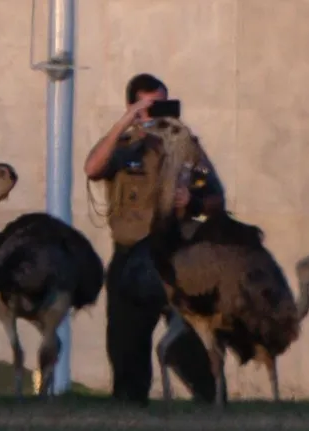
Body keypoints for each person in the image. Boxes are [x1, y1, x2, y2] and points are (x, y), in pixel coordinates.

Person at [84, 73, 226, 406]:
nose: (159, 113)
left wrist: (191, 203)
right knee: (125, 338)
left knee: (192, 332)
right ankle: (130, 403)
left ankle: (209, 400)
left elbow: (217, 199)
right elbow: (92, 168)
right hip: (130, 251)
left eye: (163, 103)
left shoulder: (184, 144)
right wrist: (128, 120)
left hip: (176, 255)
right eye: (151, 105)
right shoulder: (122, 145)